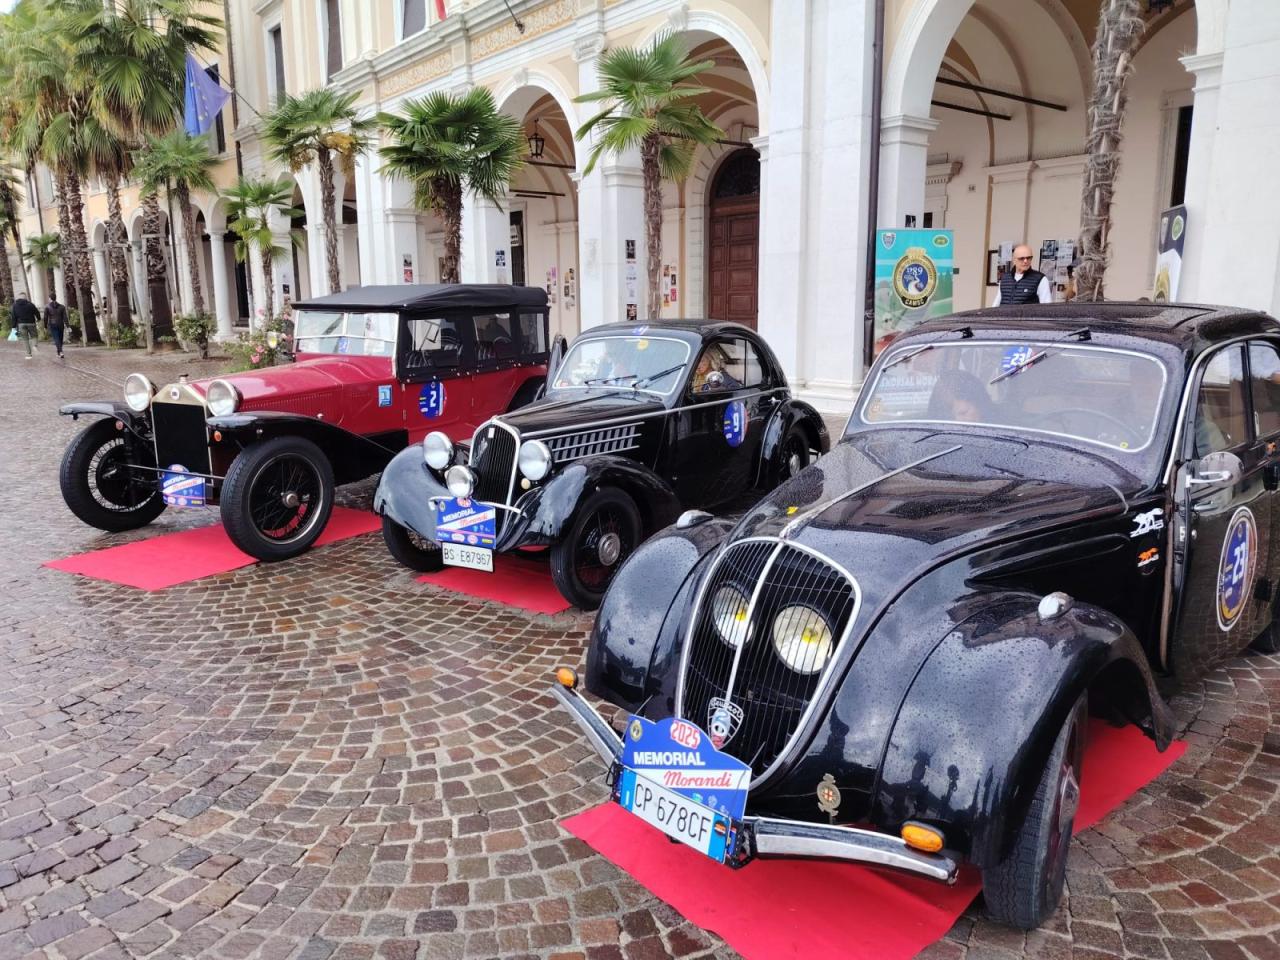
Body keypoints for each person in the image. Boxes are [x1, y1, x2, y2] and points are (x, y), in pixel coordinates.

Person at [11, 293, 40, 360]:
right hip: (31, 323)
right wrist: (38, 319)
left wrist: (13, 326)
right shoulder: (31, 305)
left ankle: (29, 354)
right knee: (34, 335)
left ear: (19, 298)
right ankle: (35, 345)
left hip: (21, 324)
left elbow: (13, 317)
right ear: (25, 297)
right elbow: (37, 312)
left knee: (25, 339)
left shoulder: (15, 306)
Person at [44, 293, 67, 359]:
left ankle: (60, 352)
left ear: (50, 298)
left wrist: (45, 326)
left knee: (56, 338)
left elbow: (45, 317)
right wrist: (68, 326)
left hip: (53, 324)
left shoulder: (47, 307)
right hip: (60, 324)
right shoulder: (62, 306)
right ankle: (59, 352)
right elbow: (65, 317)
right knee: (60, 338)